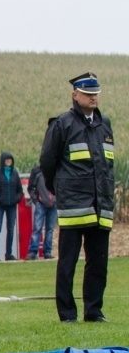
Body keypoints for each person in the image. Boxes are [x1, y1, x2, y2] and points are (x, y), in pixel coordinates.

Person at [40, 72, 114, 324]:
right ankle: (67, 314)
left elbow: (107, 167)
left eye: (96, 94)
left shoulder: (105, 125)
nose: (93, 98)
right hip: (73, 205)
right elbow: (47, 163)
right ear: (75, 95)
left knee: (98, 264)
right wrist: (59, 189)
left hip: (100, 206)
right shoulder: (62, 124)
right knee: (68, 263)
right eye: (88, 94)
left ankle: (94, 311)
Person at [0, 152, 23, 261]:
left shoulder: (15, 174)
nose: (8, 162)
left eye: (10, 160)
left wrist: (17, 199)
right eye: (6, 160)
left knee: (11, 229)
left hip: (12, 205)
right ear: (2, 161)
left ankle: (8, 254)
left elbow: (20, 190)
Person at [26, 162, 57, 260]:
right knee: (37, 228)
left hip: (54, 204)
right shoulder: (37, 171)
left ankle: (47, 252)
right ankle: (32, 251)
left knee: (50, 229)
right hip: (41, 203)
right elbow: (31, 187)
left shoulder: (57, 170)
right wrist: (36, 201)